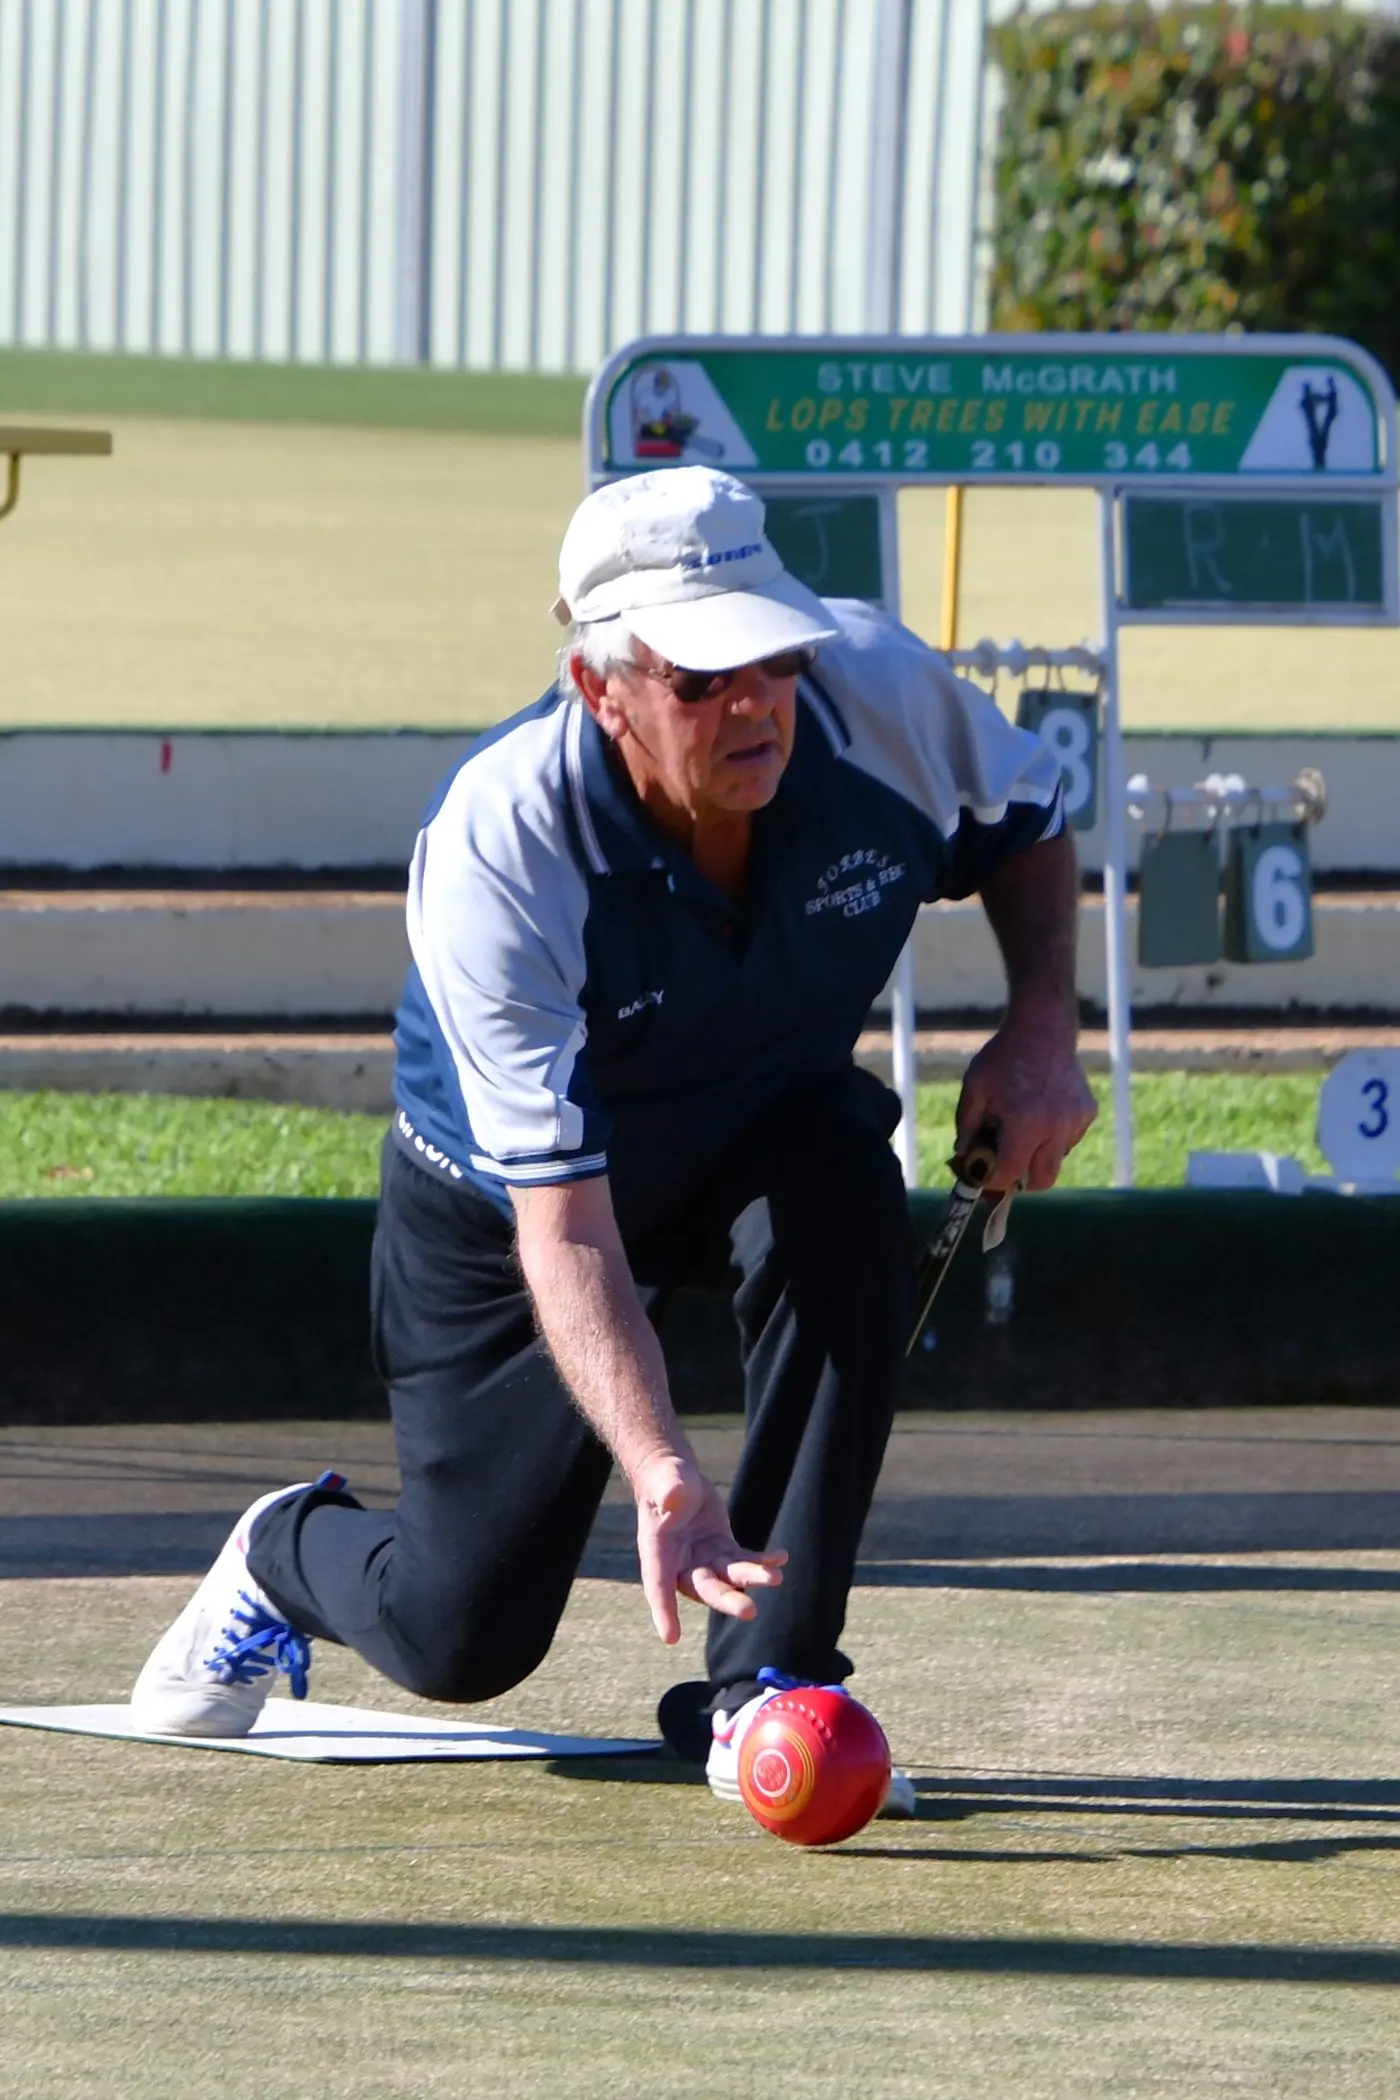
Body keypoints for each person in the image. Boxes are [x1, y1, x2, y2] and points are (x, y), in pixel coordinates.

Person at [131, 465, 1095, 1807]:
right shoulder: (499, 846)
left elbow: (1027, 821)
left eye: (770, 654)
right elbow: (566, 1226)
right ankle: (288, 1550)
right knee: (459, 1636)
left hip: (758, 1126)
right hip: (512, 1210)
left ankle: (766, 1678)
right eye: (700, 680)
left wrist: (1043, 1027)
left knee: (838, 1181)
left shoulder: (877, 696)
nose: (753, 701)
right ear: (604, 689)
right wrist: (663, 1474)